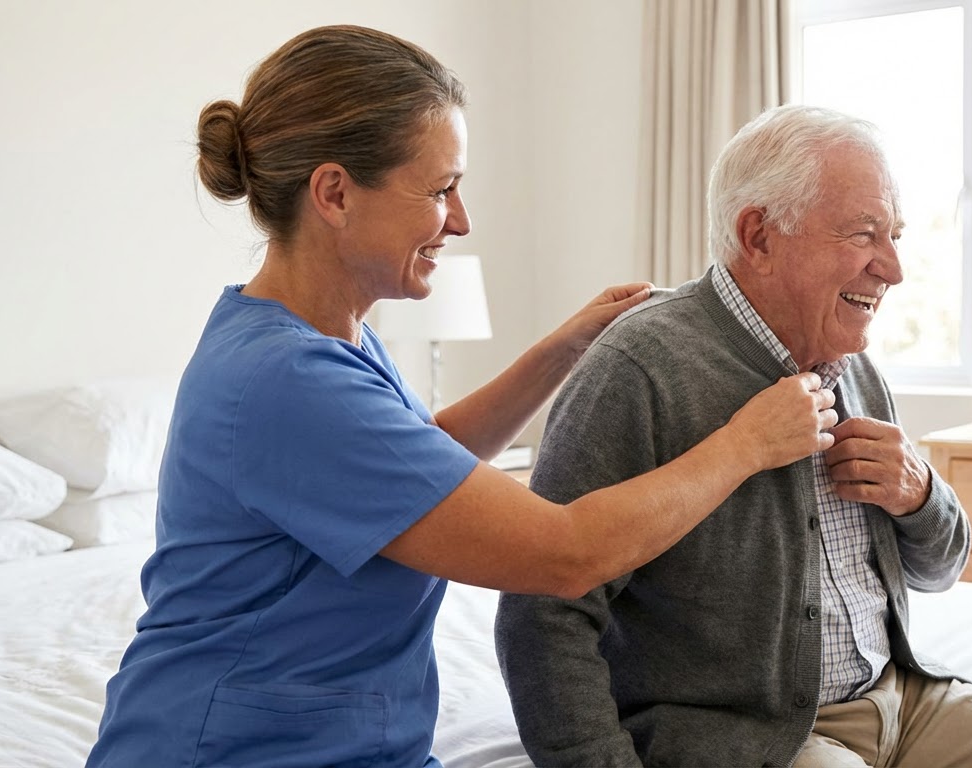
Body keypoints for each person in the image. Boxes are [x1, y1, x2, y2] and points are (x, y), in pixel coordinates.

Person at [86, 26, 838, 768]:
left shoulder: (329, 338)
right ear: (335, 193)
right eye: (440, 189)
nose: (462, 219)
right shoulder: (288, 380)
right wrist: (746, 444)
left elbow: (423, 463)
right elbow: (567, 555)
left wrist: (561, 349)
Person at [494, 105, 972, 768]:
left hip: (904, 700)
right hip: (747, 735)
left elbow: (942, 569)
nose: (893, 268)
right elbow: (541, 610)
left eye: (894, 236)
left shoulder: (855, 367)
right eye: (864, 234)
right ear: (759, 236)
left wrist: (919, 494)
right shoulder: (639, 366)